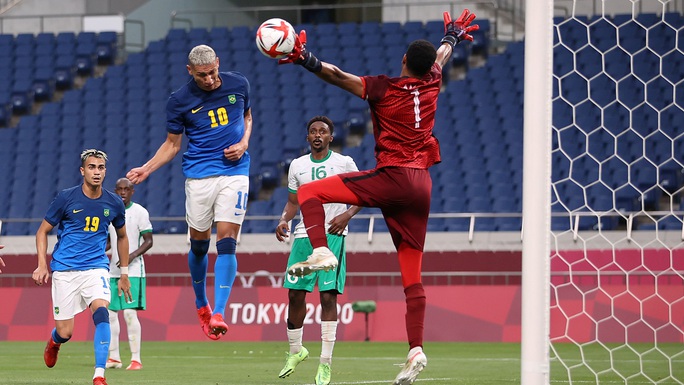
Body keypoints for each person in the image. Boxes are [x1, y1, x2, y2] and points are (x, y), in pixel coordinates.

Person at [277, 10, 478, 385]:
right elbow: (440, 57)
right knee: (411, 275)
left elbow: (337, 76)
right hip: (421, 186)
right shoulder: (433, 80)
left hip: (393, 176)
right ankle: (415, 348)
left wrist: (304, 57)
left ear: (403, 61)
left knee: (309, 191)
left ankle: (320, 250)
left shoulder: (385, 87)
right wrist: (451, 36)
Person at [126, 44, 252, 340]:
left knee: (227, 241)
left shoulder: (239, 83)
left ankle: (219, 312)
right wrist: (147, 168)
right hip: (198, 178)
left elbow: (247, 117)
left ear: (218, 63)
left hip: (235, 173)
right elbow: (172, 144)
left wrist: (244, 142)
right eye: (201, 76)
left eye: (211, 73)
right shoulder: (179, 101)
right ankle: (201, 303)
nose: (208, 80)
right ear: (189, 71)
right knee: (199, 245)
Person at [32, 149, 132, 385]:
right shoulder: (66, 198)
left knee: (102, 313)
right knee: (66, 332)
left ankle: (99, 375)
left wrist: (124, 271)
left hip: (96, 268)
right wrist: (41, 264)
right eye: (91, 167)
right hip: (65, 271)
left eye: (100, 168)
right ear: (82, 171)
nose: (96, 172)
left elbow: (123, 236)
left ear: (105, 171)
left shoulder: (114, 202)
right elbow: (42, 231)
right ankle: (55, 341)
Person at [275, 116, 361, 385]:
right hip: (303, 236)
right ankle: (296, 351)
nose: (317, 135)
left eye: (322, 131)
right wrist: (283, 220)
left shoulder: (344, 163)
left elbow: (362, 194)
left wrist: (346, 216)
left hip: (333, 234)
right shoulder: (297, 165)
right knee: (295, 294)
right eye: (313, 131)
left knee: (327, 298)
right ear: (307, 137)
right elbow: (292, 202)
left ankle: (325, 364)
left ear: (330, 137)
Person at [105, 178, 153, 371]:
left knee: (130, 314)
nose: (123, 192)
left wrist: (131, 256)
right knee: (109, 315)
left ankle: (136, 359)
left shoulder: (140, 212)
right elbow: (110, 240)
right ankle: (114, 357)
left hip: (133, 271)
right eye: (120, 189)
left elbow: (149, 241)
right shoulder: (109, 212)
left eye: (127, 189)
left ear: (132, 191)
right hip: (113, 271)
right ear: (115, 191)